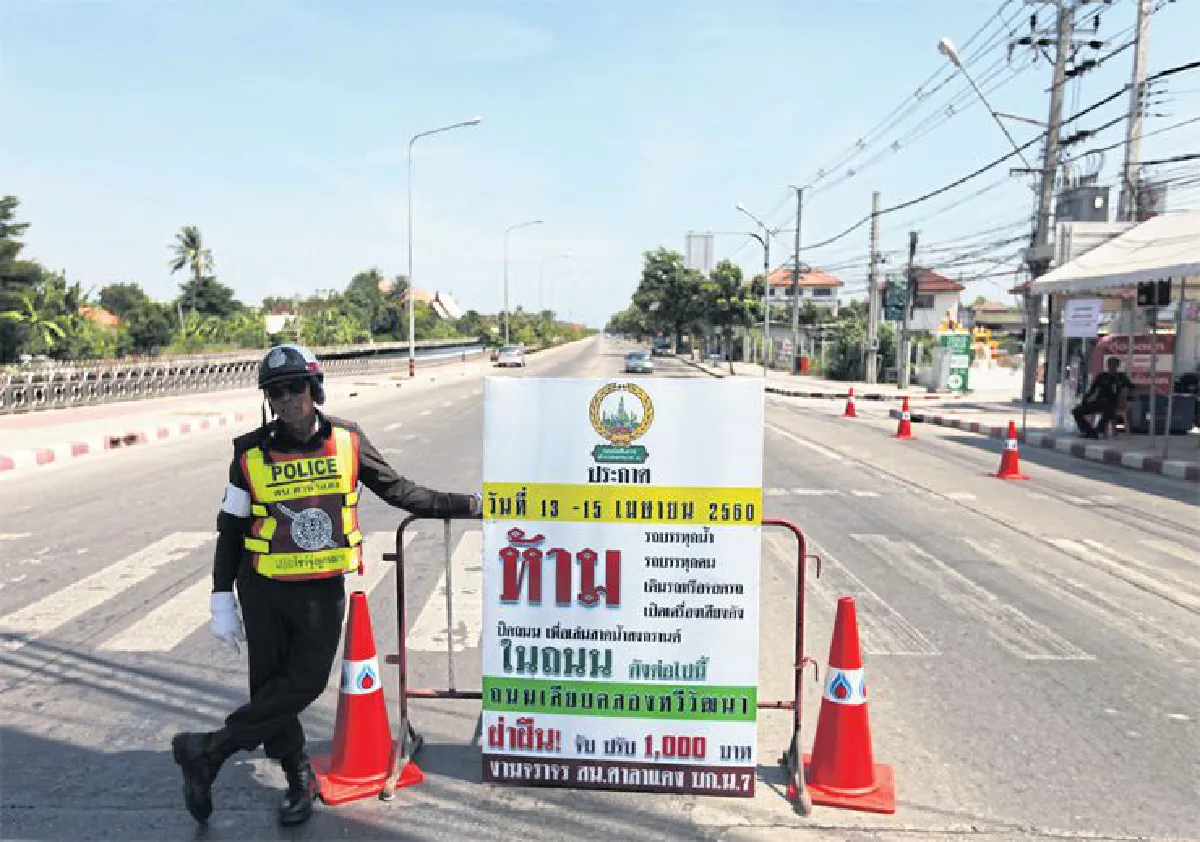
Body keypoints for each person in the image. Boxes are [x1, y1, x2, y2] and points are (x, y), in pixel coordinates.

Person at [170, 343, 481, 827]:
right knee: (272, 687)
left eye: (295, 388)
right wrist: (220, 596)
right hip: (263, 587)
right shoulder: (249, 453)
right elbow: (231, 528)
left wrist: (470, 505)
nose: (286, 400)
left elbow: (401, 491)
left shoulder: (348, 441)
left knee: (306, 682)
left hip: (319, 590)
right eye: (275, 392)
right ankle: (298, 780)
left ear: (314, 389)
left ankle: (209, 749)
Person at [1072, 356, 1135, 439]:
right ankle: (1089, 431)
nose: (1112, 368)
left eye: (1114, 365)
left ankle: (1099, 430)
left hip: (1113, 404)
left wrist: (1129, 400)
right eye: (1110, 365)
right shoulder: (1102, 376)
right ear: (1107, 366)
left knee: (1108, 408)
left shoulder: (1121, 377)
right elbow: (1092, 390)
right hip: (1099, 402)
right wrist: (1085, 400)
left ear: (1117, 366)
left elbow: (1132, 388)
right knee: (1076, 411)